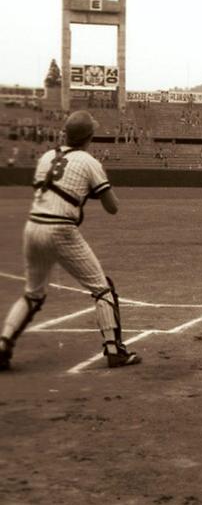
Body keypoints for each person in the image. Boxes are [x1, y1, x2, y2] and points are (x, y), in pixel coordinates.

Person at [0, 111, 141, 371]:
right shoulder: (88, 161)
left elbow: (52, 190)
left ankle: (3, 344)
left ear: (65, 133)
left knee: (32, 294)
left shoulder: (45, 157)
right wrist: (96, 188)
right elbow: (113, 207)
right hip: (61, 229)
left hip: (33, 227)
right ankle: (114, 350)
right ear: (89, 136)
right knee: (102, 289)